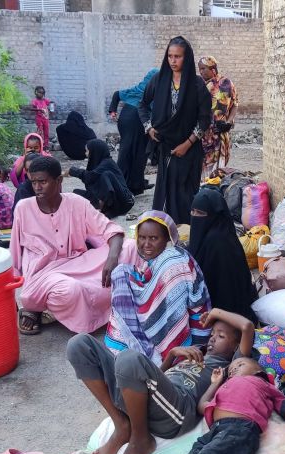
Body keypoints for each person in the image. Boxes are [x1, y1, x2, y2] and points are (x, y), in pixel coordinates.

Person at [66, 307, 254, 454]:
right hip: (151, 400)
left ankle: (141, 441)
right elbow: (146, 378)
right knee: (79, 344)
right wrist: (172, 356)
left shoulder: (231, 364)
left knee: (129, 359)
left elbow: (247, 326)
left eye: (221, 336)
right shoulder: (198, 352)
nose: (212, 339)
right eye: (212, 333)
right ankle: (122, 424)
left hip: (177, 411)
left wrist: (214, 312)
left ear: (236, 346)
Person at [10, 156, 137, 335]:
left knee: (130, 246)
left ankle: (119, 300)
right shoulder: (23, 208)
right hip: (44, 275)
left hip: (79, 263)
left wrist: (112, 258)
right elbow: (15, 251)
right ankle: (39, 308)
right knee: (71, 290)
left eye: (43, 182)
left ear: (59, 180)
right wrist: (13, 291)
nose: (37, 187)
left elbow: (110, 229)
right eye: (34, 182)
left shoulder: (76, 202)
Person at [104, 210, 211, 362]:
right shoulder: (152, 263)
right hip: (153, 327)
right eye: (141, 237)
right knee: (120, 273)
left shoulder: (174, 261)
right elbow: (144, 285)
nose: (146, 244)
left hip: (190, 336)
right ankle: (135, 346)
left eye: (154, 238)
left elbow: (184, 306)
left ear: (167, 238)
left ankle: (163, 355)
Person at [139, 36, 211, 225]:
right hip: (166, 149)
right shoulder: (159, 79)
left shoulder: (196, 85)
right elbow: (142, 105)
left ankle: (187, 235)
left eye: (177, 56)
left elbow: (205, 119)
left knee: (185, 195)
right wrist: (149, 128)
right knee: (165, 194)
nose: (173, 61)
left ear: (186, 58)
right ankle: (166, 234)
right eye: (170, 56)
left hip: (189, 151)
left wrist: (187, 144)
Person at [189, 187, 256, 321]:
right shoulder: (218, 234)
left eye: (200, 213)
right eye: (192, 211)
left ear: (215, 215)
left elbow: (222, 290)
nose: (195, 216)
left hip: (226, 314)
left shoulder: (218, 243)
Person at [108, 68, 158, 195]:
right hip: (135, 119)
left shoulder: (138, 89)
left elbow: (116, 94)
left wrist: (113, 111)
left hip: (130, 119)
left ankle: (135, 184)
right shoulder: (152, 91)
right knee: (133, 153)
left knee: (134, 152)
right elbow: (117, 94)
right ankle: (123, 186)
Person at [66, 139, 134, 218]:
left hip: (123, 201)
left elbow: (90, 176)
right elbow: (90, 178)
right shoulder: (98, 163)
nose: (86, 154)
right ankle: (101, 206)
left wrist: (72, 171)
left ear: (95, 151)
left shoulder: (107, 163)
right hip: (105, 199)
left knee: (106, 175)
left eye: (87, 151)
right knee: (76, 193)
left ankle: (104, 209)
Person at [198, 56, 238, 180]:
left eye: (203, 68)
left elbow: (235, 104)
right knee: (203, 168)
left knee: (218, 170)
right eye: (199, 69)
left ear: (213, 68)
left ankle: (214, 192)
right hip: (204, 134)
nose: (201, 72)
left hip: (221, 134)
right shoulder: (199, 86)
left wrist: (229, 121)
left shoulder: (226, 83)